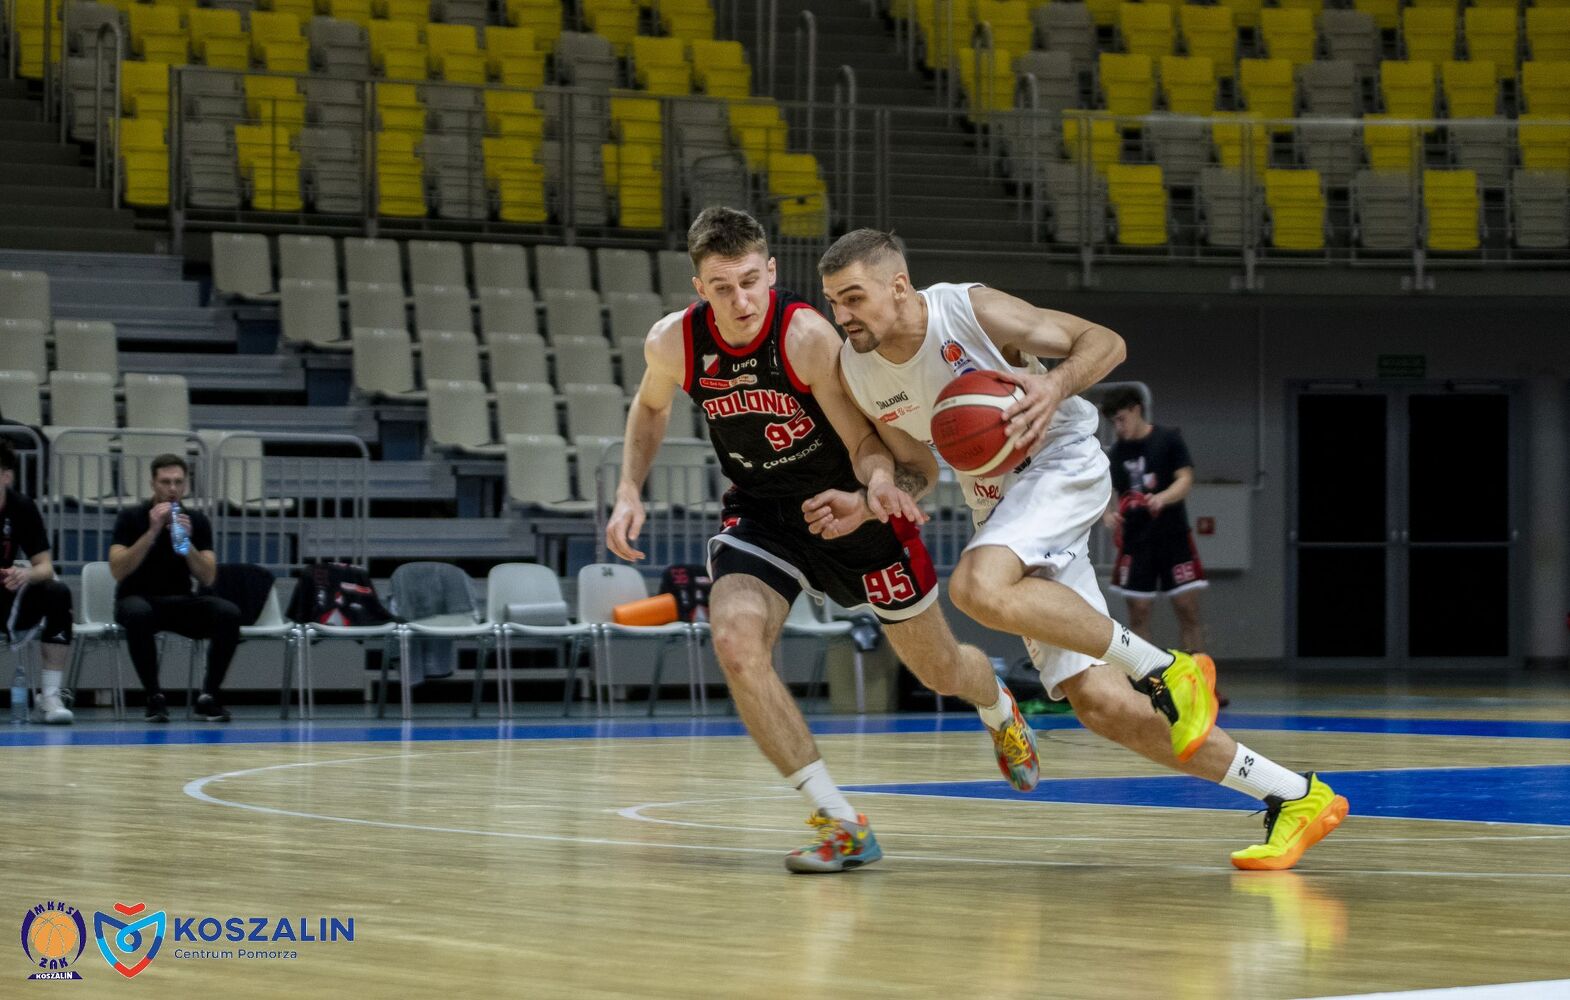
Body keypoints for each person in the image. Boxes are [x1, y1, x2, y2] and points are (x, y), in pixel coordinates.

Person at [817, 230, 1347, 871]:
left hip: (1060, 463)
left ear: (899, 286)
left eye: (853, 298)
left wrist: (1055, 387)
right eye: (833, 301)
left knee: (977, 586)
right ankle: (1293, 796)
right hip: (1001, 504)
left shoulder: (968, 310)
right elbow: (917, 468)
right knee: (1101, 706)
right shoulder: (858, 369)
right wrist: (876, 491)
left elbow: (1106, 342)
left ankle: (1167, 667)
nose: (842, 316)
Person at [605, 207, 1041, 874]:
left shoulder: (807, 337)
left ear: (771, 272)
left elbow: (870, 444)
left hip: (851, 513)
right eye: (722, 287)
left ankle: (998, 704)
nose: (740, 300)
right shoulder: (674, 341)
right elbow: (651, 405)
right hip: (763, 516)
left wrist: (874, 494)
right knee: (735, 642)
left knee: (942, 671)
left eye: (750, 282)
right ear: (699, 288)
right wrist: (629, 489)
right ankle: (838, 821)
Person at [109, 454, 239, 723]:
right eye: (165, 482)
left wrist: (185, 543)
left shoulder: (196, 521)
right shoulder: (131, 517)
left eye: (178, 482)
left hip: (180, 600)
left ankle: (209, 696)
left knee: (228, 613)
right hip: (136, 598)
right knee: (138, 613)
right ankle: (154, 696)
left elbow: (208, 577)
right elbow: (117, 569)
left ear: (186, 485)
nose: (172, 488)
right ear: (152, 484)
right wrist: (152, 532)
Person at [1100, 388, 1210, 653]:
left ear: (1136, 409)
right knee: (1138, 611)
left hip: (1173, 536)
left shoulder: (1168, 439)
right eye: (1114, 422)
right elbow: (1107, 492)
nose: (1119, 427)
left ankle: (1197, 672)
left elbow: (1185, 479)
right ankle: (1146, 675)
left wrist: (1163, 497)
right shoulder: (1117, 453)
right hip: (1136, 542)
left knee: (1187, 608)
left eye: (1122, 419)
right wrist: (1108, 514)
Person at [0, 438, 74, 724]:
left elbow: (44, 566)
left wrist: (25, 574)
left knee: (58, 592)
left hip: (7, 591)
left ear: (6, 476)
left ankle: (50, 696)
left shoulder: (21, 507)